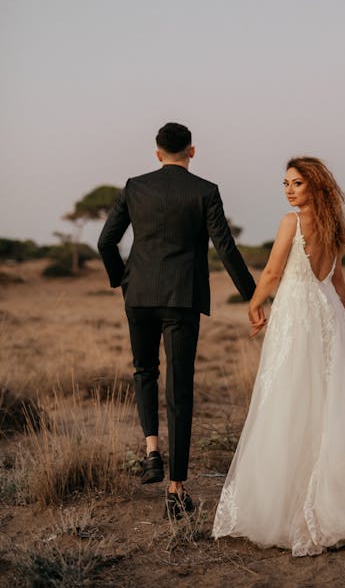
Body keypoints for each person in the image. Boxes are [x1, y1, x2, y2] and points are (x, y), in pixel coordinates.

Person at [212, 157, 345, 556]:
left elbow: (272, 273)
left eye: (297, 183)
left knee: (290, 397)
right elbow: (337, 285)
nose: (289, 190)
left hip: (297, 315)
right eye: (285, 183)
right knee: (329, 397)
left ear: (315, 186)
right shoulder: (335, 226)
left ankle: (293, 503)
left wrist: (254, 304)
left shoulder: (292, 222)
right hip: (326, 315)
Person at [98, 122, 258, 519]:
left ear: (157, 153)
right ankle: (176, 487)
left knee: (144, 370)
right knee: (180, 388)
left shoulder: (135, 186)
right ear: (192, 151)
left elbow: (105, 241)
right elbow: (225, 247)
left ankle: (152, 450)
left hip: (138, 295)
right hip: (182, 298)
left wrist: (121, 278)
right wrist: (253, 295)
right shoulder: (205, 191)